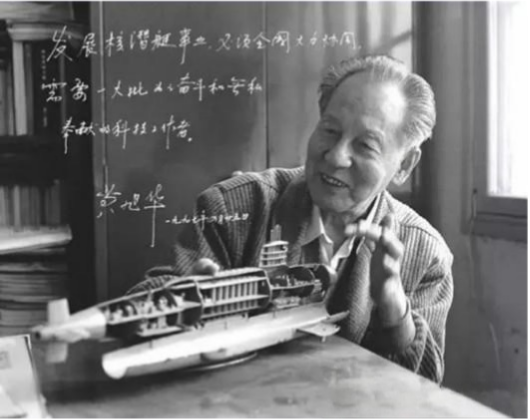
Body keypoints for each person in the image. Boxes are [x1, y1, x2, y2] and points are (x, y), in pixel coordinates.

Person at [130, 55, 454, 384]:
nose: (336, 156)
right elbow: (139, 308)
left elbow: (425, 385)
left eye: (366, 145)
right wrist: (181, 303)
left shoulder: (425, 253)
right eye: (330, 130)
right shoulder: (233, 206)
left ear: (405, 165)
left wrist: (394, 311)